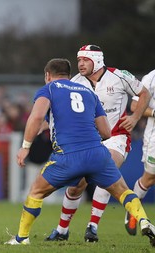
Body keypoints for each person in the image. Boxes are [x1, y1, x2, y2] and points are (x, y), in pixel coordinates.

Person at [4, 58, 155, 247]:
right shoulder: (88, 92)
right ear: (69, 75)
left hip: (67, 156)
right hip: (97, 154)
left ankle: (21, 238)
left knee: (36, 192)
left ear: (47, 76)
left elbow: (36, 117)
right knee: (123, 191)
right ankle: (143, 220)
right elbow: (106, 132)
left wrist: (25, 146)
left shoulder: (49, 89)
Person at [45, 45, 150, 242]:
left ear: (98, 60)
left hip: (116, 136)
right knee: (77, 185)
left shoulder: (119, 76)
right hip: (88, 140)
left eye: (85, 60)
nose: (80, 64)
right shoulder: (75, 82)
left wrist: (135, 117)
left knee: (106, 169)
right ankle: (62, 229)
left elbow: (144, 93)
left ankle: (92, 226)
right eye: (79, 60)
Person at [125, 69, 155, 236]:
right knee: (149, 178)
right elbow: (135, 106)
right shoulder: (151, 78)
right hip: (154, 137)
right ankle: (133, 209)